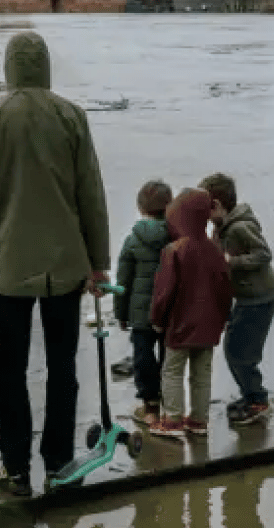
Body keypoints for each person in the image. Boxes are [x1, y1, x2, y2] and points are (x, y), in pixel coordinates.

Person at [0, 31, 111, 496]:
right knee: (63, 368)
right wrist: (99, 261)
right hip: (67, 265)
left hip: (8, 268)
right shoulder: (72, 116)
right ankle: (60, 463)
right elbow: (91, 193)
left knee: (10, 371)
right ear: (46, 65)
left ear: (8, 68)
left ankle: (16, 469)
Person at [148, 188, 233, 438]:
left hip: (180, 324)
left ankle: (172, 420)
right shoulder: (216, 251)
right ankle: (198, 420)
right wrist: (224, 318)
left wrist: (157, 320)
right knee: (202, 374)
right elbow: (225, 290)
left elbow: (164, 292)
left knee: (172, 371)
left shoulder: (174, 250)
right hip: (209, 325)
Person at [199, 172, 274, 425]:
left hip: (258, 299)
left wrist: (232, 262)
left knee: (241, 353)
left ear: (218, 205)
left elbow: (264, 254)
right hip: (244, 297)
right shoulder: (221, 228)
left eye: (205, 208)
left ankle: (258, 400)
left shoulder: (241, 226)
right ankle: (250, 395)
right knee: (234, 349)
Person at [113, 179, 173, 425]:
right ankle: (172, 406)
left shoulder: (133, 241)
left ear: (140, 208)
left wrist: (121, 313)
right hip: (170, 310)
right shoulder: (176, 238)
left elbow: (122, 282)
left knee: (143, 358)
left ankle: (149, 408)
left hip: (141, 314)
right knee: (170, 359)